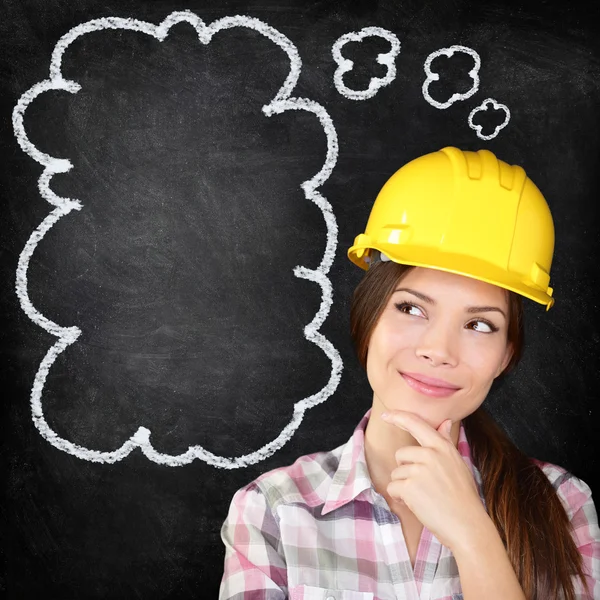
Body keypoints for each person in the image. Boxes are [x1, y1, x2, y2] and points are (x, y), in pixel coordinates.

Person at [219, 147, 599, 599]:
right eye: (411, 308)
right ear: (368, 317)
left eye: (479, 324)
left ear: (505, 354)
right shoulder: (274, 510)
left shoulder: (561, 503)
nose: (438, 350)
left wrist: (472, 533)